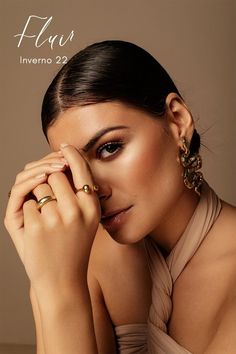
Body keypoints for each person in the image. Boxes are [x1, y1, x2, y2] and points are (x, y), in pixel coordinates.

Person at [4, 40, 236, 354]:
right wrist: (52, 284)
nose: (95, 188)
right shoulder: (84, 260)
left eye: (110, 148)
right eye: (76, 167)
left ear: (178, 121)